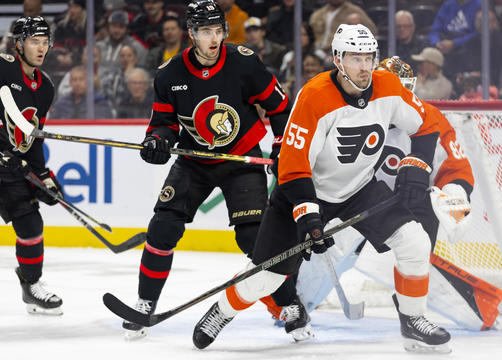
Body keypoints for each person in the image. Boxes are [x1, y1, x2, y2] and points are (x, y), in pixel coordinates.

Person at [191, 24, 452, 353]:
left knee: (414, 241)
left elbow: (427, 124)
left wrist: (418, 166)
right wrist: (309, 216)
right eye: (356, 58)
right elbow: (293, 163)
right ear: (338, 59)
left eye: (369, 57)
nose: (364, 66)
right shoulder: (315, 96)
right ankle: (222, 312)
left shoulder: (388, 86)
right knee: (267, 277)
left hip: (359, 189)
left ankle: (413, 321)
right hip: (302, 193)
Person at [121, 0, 296, 341]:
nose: (213, 39)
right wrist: (156, 141)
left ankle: (289, 303)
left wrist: (281, 146)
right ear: (191, 34)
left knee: (255, 238)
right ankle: (145, 303)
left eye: (218, 31)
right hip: (194, 162)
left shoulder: (243, 62)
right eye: (205, 32)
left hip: (240, 160)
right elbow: (163, 124)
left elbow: (279, 107)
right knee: (162, 228)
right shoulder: (169, 73)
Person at [296, 57, 502, 331]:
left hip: (406, 212)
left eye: (403, 92)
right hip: (354, 205)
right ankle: (292, 303)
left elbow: (456, 167)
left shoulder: (428, 119)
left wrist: (454, 193)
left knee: (418, 253)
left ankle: (418, 311)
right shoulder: (343, 113)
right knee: (326, 252)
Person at [0, 16, 63, 315]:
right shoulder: (2, 66)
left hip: (12, 168)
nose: (41, 48)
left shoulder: (46, 86)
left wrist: (43, 176)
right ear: (19, 44)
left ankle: (32, 286)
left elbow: (33, 140)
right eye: (34, 41)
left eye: (44, 42)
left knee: (31, 223)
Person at [49, 65, 115, 119]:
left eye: (81, 79)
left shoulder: (99, 102)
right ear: (70, 82)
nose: (77, 83)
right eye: (74, 80)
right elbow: (52, 124)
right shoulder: (61, 103)